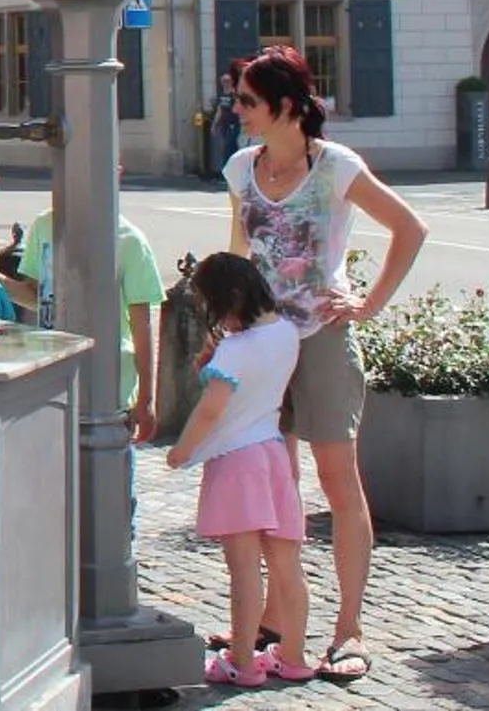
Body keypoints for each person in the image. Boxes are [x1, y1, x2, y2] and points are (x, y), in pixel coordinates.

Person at [223, 44, 428, 685]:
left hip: (321, 339)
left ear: (285, 106)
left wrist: (367, 303)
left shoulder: (335, 166)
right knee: (273, 486)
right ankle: (281, 619)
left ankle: (348, 629)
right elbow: (239, 249)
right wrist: (225, 323)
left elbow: (410, 227)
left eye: (247, 102)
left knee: (338, 481)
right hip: (262, 346)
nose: (237, 112)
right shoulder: (239, 167)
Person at [165, 252, 317, 687]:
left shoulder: (234, 349)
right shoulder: (287, 333)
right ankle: (293, 656)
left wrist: (181, 451)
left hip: (236, 461)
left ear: (227, 301)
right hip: (273, 454)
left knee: (245, 569)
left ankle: (243, 662)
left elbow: (211, 411)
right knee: (288, 565)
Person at [4, 165, 166, 442]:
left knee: (111, 473)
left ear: (116, 174)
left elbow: (142, 323)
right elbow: (36, 296)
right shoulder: (44, 225)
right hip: (54, 375)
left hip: (111, 379)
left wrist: (146, 398)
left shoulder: (130, 240)